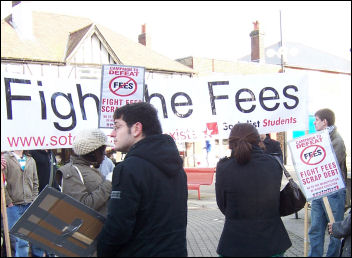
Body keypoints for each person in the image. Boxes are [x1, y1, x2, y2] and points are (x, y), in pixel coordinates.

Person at [97, 102, 188, 257]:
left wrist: (101, 250)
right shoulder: (177, 168)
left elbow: (118, 227)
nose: (112, 133)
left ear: (136, 129)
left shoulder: (128, 169)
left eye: (117, 126)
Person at [215, 123, 292, 257]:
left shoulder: (223, 167)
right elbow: (274, 199)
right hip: (272, 241)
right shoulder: (273, 163)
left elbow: (223, 205)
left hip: (234, 243)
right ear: (258, 140)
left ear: (231, 142)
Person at [308, 108, 347, 257]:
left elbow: (331, 164)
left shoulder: (337, 140)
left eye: (317, 119)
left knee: (334, 229)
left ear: (325, 122)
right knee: (316, 228)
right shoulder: (317, 139)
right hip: (318, 190)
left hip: (333, 191)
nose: (314, 122)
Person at [55, 128, 113, 216]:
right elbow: (81, 207)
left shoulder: (90, 168)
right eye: (102, 151)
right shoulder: (71, 171)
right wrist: (108, 183)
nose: (104, 155)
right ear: (93, 152)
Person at [3, 150, 40, 257]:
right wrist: (9, 201)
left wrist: (33, 198)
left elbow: (35, 181)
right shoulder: (6, 158)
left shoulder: (30, 160)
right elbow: (2, 182)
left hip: (29, 203)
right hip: (13, 205)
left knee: (32, 235)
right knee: (19, 240)